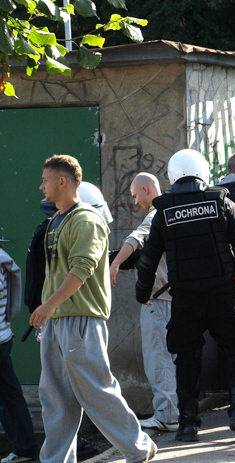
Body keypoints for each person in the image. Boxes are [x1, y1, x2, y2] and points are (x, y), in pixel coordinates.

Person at [30, 155, 156, 462]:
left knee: (96, 390)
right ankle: (56, 459)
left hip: (81, 319)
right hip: (58, 321)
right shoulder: (55, 223)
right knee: (56, 398)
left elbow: (81, 269)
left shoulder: (86, 219)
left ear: (63, 181)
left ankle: (138, 447)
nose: (41, 186)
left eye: (45, 179)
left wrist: (48, 305)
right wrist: (48, 312)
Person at [136, 149, 235, 442]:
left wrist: (142, 294)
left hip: (186, 297)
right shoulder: (222, 203)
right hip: (222, 294)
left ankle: (189, 423)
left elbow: (149, 258)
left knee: (187, 357)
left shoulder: (163, 212)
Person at [108, 172, 180, 432]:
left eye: (135, 194)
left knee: (157, 357)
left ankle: (167, 414)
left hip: (158, 299)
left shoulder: (155, 215)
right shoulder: (174, 211)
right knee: (173, 358)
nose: (135, 201)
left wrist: (115, 264)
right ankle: (177, 410)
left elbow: (136, 239)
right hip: (176, 296)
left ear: (147, 189)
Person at [0, 247, 40, 463]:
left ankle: (25, 447)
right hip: (3, 335)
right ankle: (25, 447)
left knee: (9, 396)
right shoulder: (5, 260)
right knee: (9, 395)